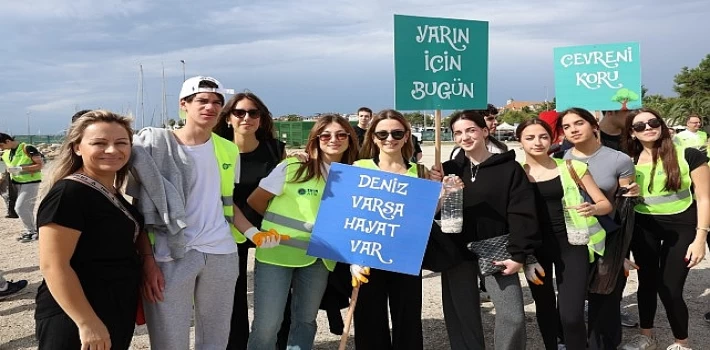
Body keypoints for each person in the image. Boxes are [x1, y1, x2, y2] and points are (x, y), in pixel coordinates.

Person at [130, 76, 270, 349]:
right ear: (184, 104)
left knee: (216, 337)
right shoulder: (153, 146)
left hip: (221, 252)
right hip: (170, 254)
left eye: (217, 102)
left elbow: (226, 203)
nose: (211, 107)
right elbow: (140, 211)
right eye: (202, 100)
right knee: (170, 339)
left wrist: (255, 234)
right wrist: (147, 260)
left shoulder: (228, 149)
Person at [246, 114, 359, 350]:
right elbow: (256, 201)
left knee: (305, 323)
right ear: (316, 139)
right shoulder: (293, 166)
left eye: (341, 134)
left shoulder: (354, 175)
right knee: (267, 325)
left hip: (319, 259)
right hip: (276, 255)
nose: (333, 139)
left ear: (350, 138)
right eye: (325, 135)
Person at [34, 110, 144, 350]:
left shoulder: (110, 191)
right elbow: (53, 265)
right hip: (77, 313)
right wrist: (87, 322)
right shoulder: (68, 194)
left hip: (112, 307)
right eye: (99, 143)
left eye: (121, 143)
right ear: (77, 148)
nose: (113, 150)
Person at [431, 110, 541, 350]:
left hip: (497, 248)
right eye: (458, 132)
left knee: (512, 316)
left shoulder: (510, 168)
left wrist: (519, 254)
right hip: (456, 250)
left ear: (485, 131)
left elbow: (522, 213)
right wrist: (436, 189)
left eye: (470, 130)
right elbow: (435, 213)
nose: (464, 137)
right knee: (463, 317)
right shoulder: (446, 169)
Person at [518, 118, 613, 350]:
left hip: (572, 245)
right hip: (535, 250)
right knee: (545, 307)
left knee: (571, 315)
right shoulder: (515, 174)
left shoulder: (573, 167)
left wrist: (593, 208)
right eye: (529, 138)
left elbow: (604, 204)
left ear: (552, 139)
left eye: (543, 136)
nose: (537, 142)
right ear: (520, 142)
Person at [619, 108, 709, 350]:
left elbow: (704, 198)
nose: (648, 127)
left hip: (681, 227)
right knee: (646, 282)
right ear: (632, 133)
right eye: (639, 126)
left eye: (652, 122)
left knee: (670, 287)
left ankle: (682, 342)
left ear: (661, 124)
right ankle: (646, 336)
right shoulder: (627, 161)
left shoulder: (688, 154)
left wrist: (700, 238)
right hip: (643, 227)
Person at [556, 107, 641, 349]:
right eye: (566, 126)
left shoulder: (619, 159)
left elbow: (625, 204)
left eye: (578, 123)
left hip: (607, 238)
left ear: (594, 125)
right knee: (570, 299)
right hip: (572, 239)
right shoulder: (559, 160)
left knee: (605, 299)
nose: (573, 129)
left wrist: (633, 193)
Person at [213, 91, 290, 350]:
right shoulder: (216, 149)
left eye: (253, 113)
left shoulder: (275, 149)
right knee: (233, 296)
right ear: (228, 119)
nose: (247, 117)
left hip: (269, 226)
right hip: (228, 229)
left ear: (261, 118)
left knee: (277, 293)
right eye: (240, 112)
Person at [351, 109, 426, 350]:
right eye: (382, 133)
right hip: (367, 256)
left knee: (408, 321)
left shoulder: (420, 172)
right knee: (369, 321)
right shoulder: (359, 167)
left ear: (406, 137)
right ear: (372, 137)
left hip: (405, 256)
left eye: (396, 133)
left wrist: (443, 194)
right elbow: (348, 214)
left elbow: (426, 217)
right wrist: (353, 258)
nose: (389, 139)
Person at [0, 133, 43, 242]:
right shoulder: (6, 153)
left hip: (31, 182)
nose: (1, 148)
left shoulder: (27, 148)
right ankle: (32, 231)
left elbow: (40, 165)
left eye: (1, 145)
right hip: (15, 183)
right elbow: (9, 169)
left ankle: (32, 231)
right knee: (27, 209)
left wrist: (20, 169)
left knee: (20, 208)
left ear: (8, 141)